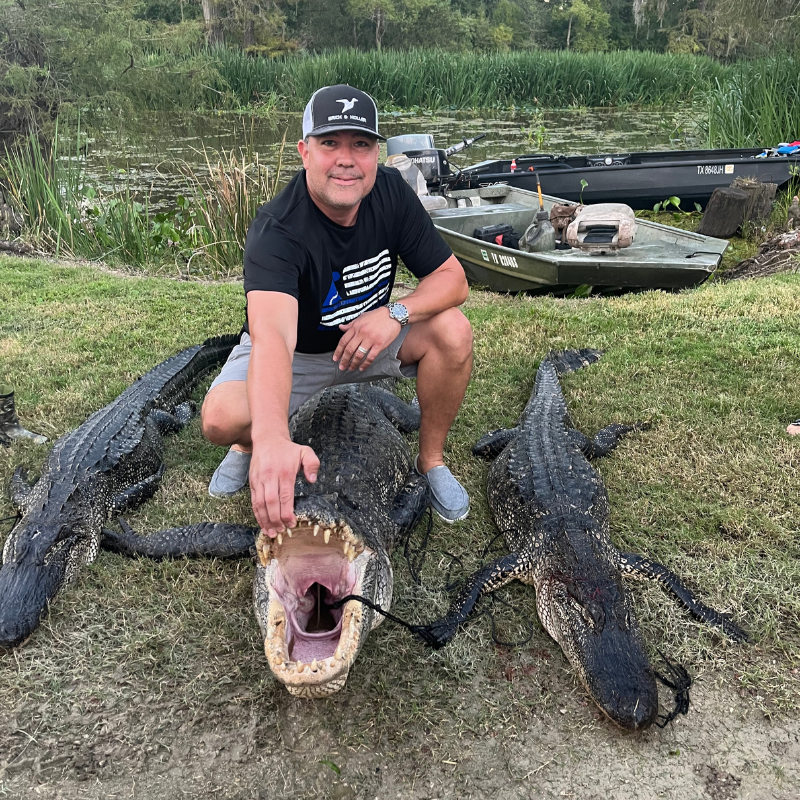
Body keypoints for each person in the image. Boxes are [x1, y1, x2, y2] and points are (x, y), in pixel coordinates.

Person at [200, 84, 473, 538]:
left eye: (361, 145)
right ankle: (247, 446)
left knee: (453, 331)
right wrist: (270, 440)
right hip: (299, 354)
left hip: (374, 339)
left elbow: (453, 279)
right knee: (219, 419)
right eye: (330, 143)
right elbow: (273, 340)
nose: (346, 159)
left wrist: (395, 314)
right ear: (305, 151)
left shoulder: (391, 193)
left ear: (376, 155)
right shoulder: (277, 228)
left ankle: (431, 460)